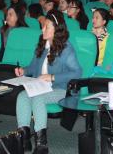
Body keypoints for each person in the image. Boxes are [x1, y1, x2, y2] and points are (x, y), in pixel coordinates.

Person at [15, 10, 82, 153]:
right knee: (22, 96)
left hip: (61, 88)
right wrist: (23, 71)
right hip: (41, 87)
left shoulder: (66, 48)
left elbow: (77, 72)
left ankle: (41, 144)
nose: (42, 29)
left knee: (38, 98)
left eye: (46, 26)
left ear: (56, 29)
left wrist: (52, 77)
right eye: (42, 26)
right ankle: (24, 139)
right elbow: (33, 67)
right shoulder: (43, 44)